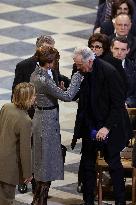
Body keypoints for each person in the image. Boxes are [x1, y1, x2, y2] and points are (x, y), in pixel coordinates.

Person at [71, 47, 132, 205]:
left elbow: (118, 105)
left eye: (79, 65)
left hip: (110, 126)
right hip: (90, 125)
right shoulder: (82, 71)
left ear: (89, 61)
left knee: (114, 165)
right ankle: (88, 201)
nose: (77, 68)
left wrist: (106, 128)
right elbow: (79, 96)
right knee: (87, 165)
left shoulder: (109, 72)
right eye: (76, 64)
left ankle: (120, 202)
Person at [30, 46, 91, 205]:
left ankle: (39, 199)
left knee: (46, 162)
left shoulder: (38, 73)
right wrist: (77, 76)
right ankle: (39, 201)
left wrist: (57, 89)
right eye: (53, 61)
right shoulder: (41, 78)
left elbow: (54, 92)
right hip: (45, 122)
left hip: (45, 118)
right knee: (45, 164)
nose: (55, 63)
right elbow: (68, 96)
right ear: (48, 62)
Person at [12, 35, 70, 193]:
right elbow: (16, 93)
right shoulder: (24, 66)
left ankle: (42, 187)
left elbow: (56, 80)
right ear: (38, 49)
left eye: (51, 49)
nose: (49, 52)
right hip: (30, 114)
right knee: (28, 149)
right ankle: (24, 178)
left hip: (49, 115)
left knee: (45, 153)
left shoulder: (52, 63)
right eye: (45, 49)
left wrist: (64, 84)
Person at [0, 82, 35, 205]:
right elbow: (25, 149)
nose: (34, 98)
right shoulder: (25, 121)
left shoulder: (6, 107)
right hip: (9, 167)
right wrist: (28, 173)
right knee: (6, 200)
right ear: (27, 99)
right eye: (33, 96)